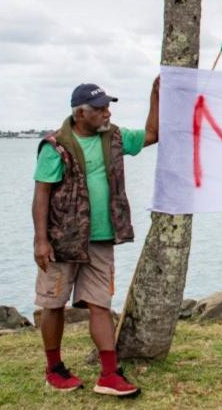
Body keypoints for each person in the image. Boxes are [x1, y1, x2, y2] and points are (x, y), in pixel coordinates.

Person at [32, 79, 158, 396]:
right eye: (100, 109)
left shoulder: (114, 137)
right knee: (54, 304)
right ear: (80, 112)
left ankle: (109, 375)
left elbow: (153, 135)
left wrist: (156, 96)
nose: (107, 113)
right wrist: (41, 241)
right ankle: (54, 369)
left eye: (107, 107)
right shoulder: (55, 145)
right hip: (62, 240)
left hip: (101, 238)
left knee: (101, 304)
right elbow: (42, 194)